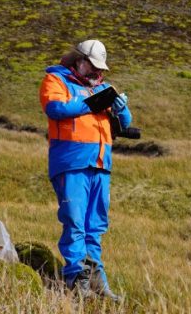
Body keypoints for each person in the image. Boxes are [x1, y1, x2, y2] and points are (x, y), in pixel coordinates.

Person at [38, 39, 131, 300]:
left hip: (100, 165)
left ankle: (97, 282)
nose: (97, 72)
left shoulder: (103, 89)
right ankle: (76, 279)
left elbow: (125, 122)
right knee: (75, 222)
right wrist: (91, 104)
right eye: (93, 66)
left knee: (95, 226)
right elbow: (55, 108)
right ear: (78, 61)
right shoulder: (56, 80)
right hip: (71, 163)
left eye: (100, 69)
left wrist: (122, 110)